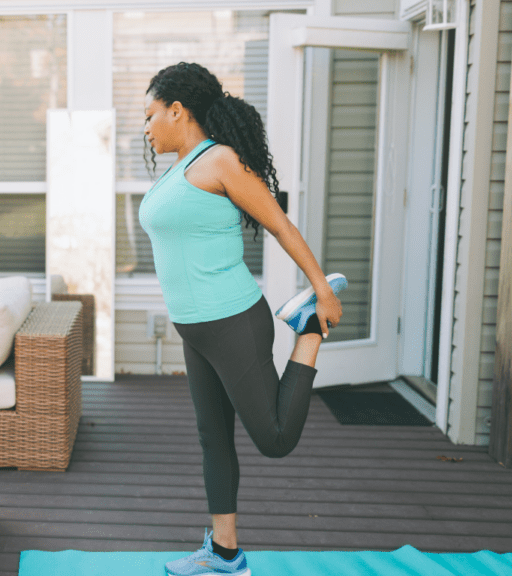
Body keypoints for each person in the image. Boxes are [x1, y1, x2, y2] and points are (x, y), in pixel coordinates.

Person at [138, 62, 348, 576]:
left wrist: (321, 290)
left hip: (231, 320)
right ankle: (225, 555)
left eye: (150, 115)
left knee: (274, 440)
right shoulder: (177, 169)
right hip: (194, 327)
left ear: (177, 110)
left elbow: (280, 225)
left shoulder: (221, 161)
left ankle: (309, 331)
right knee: (213, 437)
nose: (145, 127)